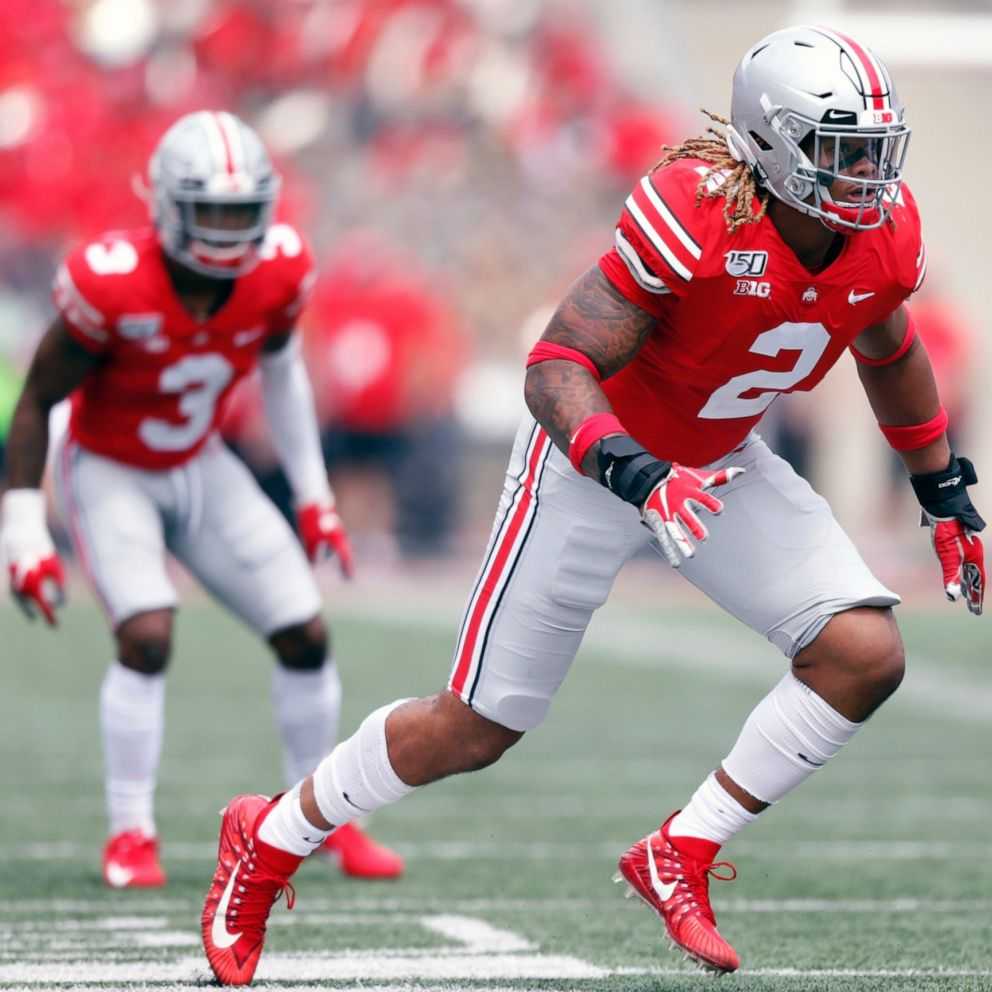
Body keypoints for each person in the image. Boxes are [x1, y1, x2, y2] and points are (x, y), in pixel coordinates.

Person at [199, 26, 986, 985]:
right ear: (774, 144)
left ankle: (682, 849)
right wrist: (639, 475)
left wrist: (942, 490)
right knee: (476, 727)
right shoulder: (697, 213)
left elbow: (887, 345)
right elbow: (555, 366)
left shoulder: (882, 235)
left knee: (864, 654)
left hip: (718, 463)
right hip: (590, 463)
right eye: (840, 149)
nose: (866, 174)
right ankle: (270, 836)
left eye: (873, 149)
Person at [0, 111, 403, 888]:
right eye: (209, 212)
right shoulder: (110, 280)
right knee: (146, 636)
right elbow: (38, 397)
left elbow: (282, 373)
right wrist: (23, 531)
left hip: (201, 462)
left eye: (239, 212)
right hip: (111, 467)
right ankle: (131, 834)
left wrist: (314, 496)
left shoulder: (278, 268)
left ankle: (322, 820)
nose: (226, 232)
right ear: (167, 206)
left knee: (305, 634)